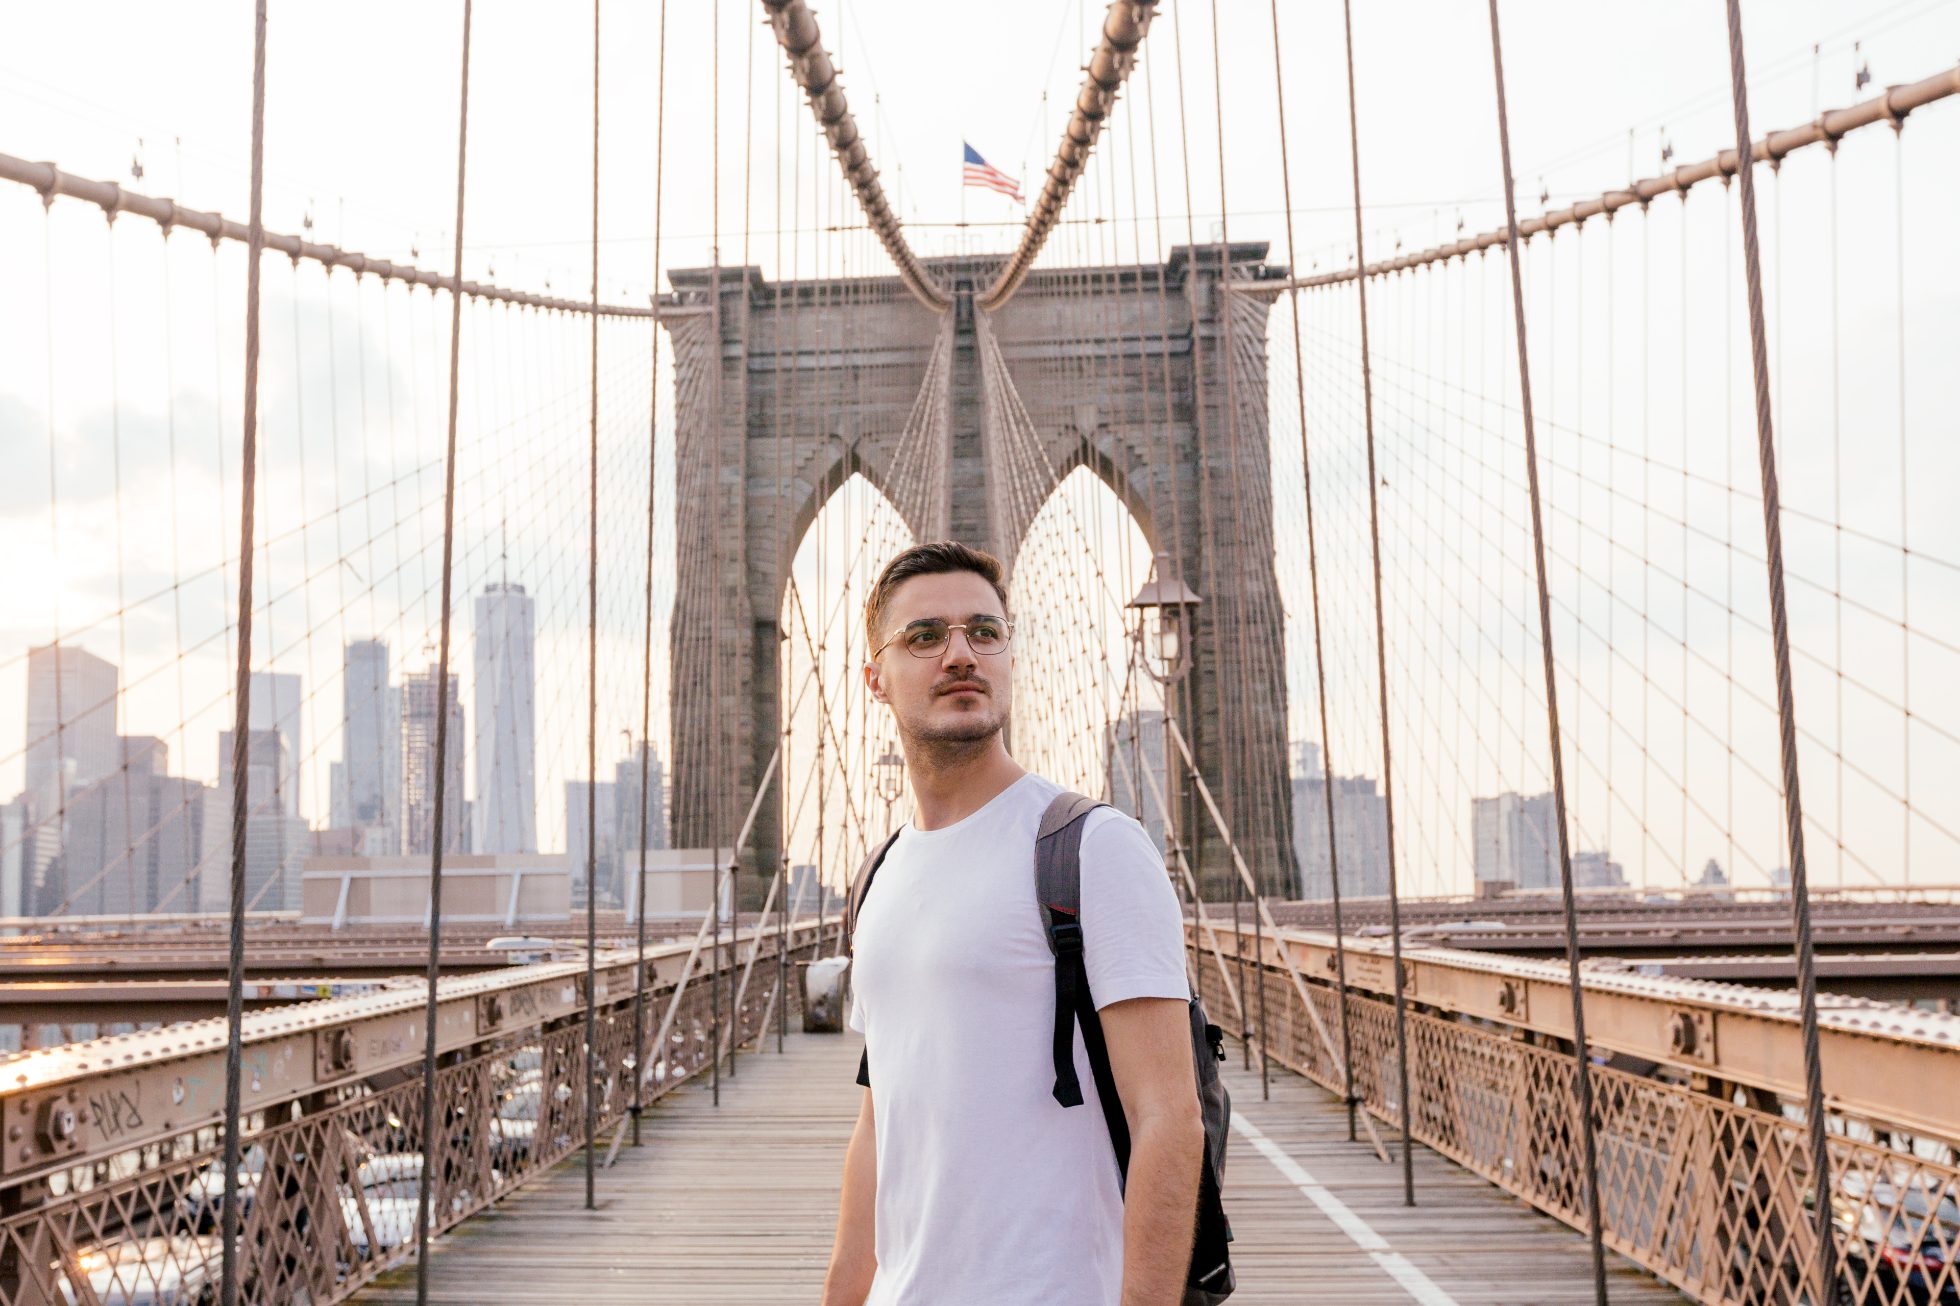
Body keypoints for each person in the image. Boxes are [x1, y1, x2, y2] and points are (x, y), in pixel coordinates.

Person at [822, 541, 1203, 1306]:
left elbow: (1169, 1116)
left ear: (1009, 657)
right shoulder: (878, 877)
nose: (961, 653)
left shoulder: (1093, 849)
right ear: (874, 679)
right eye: (924, 636)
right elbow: (879, 1126)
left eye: (984, 631)